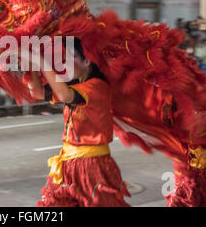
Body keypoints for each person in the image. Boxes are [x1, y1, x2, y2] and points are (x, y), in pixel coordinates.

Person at [26, 38, 130, 207]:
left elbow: (65, 96)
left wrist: (41, 61)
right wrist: (30, 63)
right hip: (67, 164)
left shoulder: (97, 86)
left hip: (92, 165)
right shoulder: (75, 84)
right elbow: (37, 93)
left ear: (87, 60)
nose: (65, 62)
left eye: (70, 57)